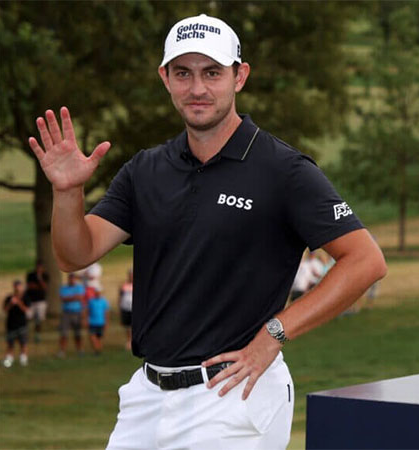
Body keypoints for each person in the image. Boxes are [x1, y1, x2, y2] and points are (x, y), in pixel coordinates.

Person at [28, 13, 386, 449]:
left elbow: (365, 260)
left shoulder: (283, 170)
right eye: (183, 73)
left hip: (233, 395)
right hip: (147, 396)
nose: (197, 88)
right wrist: (68, 193)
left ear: (240, 76)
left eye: (212, 73)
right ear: (165, 79)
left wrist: (274, 334)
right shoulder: (145, 170)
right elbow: (74, 255)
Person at [58, 272, 86, 357]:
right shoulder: (64, 288)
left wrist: (69, 298)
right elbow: (63, 298)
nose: (72, 280)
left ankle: (80, 350)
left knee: (77, 333)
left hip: (77, 312)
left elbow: (80, 298)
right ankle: (62, 351)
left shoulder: (79, 287)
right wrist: (74, 297)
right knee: (64, 333)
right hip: (66, 313)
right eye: (70, 278)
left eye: (73, 278)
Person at [3, 280, 29, 367]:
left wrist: (18, 302)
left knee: (23, 343)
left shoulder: (25, 298)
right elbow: (5, 310)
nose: (17, 288)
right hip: (11, 325)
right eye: (16, 286)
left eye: (19, 286)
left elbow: (26, 310)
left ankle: (23, 360)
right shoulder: (9, 298)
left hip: (22, 325)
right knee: (10, 344)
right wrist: (11, 303)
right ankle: (9, 361)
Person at [23, 260, 49, 343]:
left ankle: (37, 335)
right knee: (28, 317)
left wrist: (39, 278)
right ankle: (25, 334)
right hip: (31, 301)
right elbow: (29, 286)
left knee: (38, 320)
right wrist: (39, 286)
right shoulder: (30, 275)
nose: (39, 268)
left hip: (41, 301)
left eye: (40, 267)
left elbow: (44, 287)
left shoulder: (45, 275)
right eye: (38, 267)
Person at [87, 288, 110, 355]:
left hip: (101, 322)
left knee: (99, 338)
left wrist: (106, 322)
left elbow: (106, 313)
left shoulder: (104, 301)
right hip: (92, 322)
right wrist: (86, 320)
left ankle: (98, 351)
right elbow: (87, 311)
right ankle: (96, 350)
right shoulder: (91, 301)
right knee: (92, 337)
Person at [118, 269, 133, 351]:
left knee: (134, 326)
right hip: (125, 308)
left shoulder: (138, 285)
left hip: (134, 309)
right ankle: (129, 341)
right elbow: (120, 297)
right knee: (127, 326)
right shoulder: (124, 286)